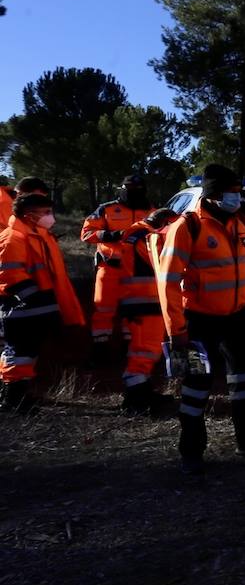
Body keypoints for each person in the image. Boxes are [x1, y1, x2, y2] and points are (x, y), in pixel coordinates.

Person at [158, 164, 245, 474]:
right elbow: (168, 281)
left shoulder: (241, 222)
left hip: (239, 317)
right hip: (197, 321)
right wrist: (176, 330)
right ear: (214, 194)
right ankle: (191, 451)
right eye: (232, 192)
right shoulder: (187, 226)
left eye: (238, 191)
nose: (237, 197)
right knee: (195, 386)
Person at [0, 192, 84, 412]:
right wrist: (36, 298)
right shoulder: (12, 238)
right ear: (29, 216)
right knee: (18, 354)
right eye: (46, 212)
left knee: (28, 354)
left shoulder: (38, 235)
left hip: (37, 309)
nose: (51, 217)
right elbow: (9, 275)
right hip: (21, 311)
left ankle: (20, 396)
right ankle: (12, 399)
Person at [80, 174, 154, 362]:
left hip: (140, 270)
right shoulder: (107, 209)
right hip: (110, 267)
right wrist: (110, 235)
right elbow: (86, 234)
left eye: (138, 189)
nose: (134, 192)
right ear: (121, 189)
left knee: (135, 310)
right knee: (103, 308)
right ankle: (100, 348)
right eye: (129, 188)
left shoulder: (152, 211)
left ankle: (128, 348)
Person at [115, 208, 178, 415]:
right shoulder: (146, 237)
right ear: (167, 222)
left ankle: (142, 391)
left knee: (147, 350)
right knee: (143, 351)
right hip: (145, 301)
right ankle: (135, 401)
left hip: (144, 301)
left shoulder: (137, 234)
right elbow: (163, 264)